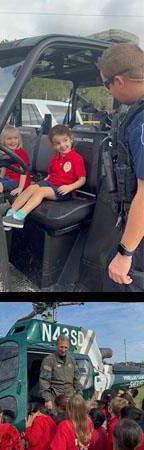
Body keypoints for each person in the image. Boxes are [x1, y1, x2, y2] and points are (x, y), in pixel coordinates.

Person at [98, 43, 144, 291]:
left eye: (107, 86)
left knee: (118, 279)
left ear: (119, 80)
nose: (109, 93)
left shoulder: (141, 122)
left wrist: (125, 253)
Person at [3, 125, 86, 229]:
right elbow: (51, 173)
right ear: (53, 145)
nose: (63, 145)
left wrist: (69, 187)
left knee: (41, 191)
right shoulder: (56, 157)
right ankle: (11, 213)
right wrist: (45, 180)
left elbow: (82, 180)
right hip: (51, 184)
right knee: (32, 187)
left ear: (71, 140)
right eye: (58, 143)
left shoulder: (77, 159)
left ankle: (19, 217)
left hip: (65, 190)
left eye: (65, 141)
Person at [39, 336, 83, 411]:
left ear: (68, 347)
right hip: (55, 400)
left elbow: (76, 380)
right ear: (56, 346)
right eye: (61, 347)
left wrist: (79, 395)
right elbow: (44, 381)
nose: (63, 350)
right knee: (56, 421)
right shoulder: (49, 360)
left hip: (70, 399)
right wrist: (47, 399)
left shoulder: (72, 360)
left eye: (66, 347)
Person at [0, 126, 31, 196]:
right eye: (9, 139)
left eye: (15, 138)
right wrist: (0, 177)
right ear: (3, 141)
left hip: (20, 180)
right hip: (9, 178)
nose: (13, 141)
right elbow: (4, 167)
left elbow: (24, 172)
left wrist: (20, 188)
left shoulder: (21, 153)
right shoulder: (5, 152)